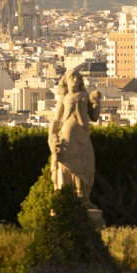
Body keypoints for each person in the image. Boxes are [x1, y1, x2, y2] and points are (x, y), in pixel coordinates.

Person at [48, 63, 97, 200]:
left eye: (77, 77)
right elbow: (56, 119)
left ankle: (83, 198)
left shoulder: (84, 95)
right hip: (68, 133)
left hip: (83, 134)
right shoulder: (64, 98)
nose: (75, 80)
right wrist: (51, 137)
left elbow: (94, 116)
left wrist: (97, 103)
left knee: (88, 166)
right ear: (66, 80)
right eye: (72, 77)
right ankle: (66, 198)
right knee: (66, 165)